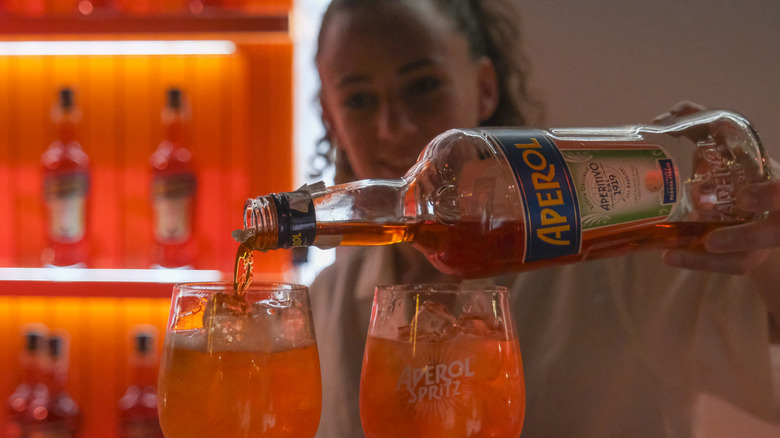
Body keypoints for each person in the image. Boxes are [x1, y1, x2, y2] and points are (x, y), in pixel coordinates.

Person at [307, 0, 780, 436]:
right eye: (359, 100)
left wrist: (769, 241)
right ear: (331, 119)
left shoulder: (623, 247)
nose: (395, 128)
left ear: (485, 88)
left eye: (424, 86)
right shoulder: (322, 305)